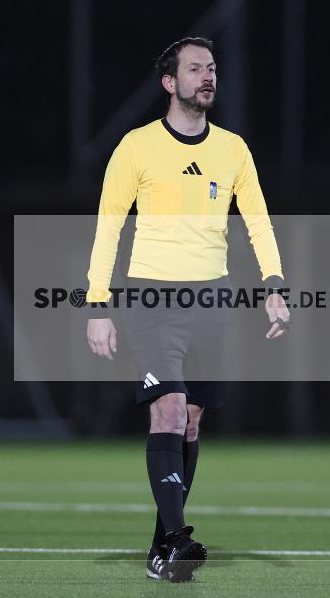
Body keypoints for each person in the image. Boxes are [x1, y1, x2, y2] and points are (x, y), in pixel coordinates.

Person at [84, 37, 290, 582]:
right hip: (154, 298)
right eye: (195, 68)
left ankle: (162, 547)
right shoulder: (136, 147)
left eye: (212, 68)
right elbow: (108, 227)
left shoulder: (233, 149)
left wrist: (274, 283)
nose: (207, 76)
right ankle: (178, 537)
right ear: (169, 83)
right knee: (169, 411)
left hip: (214, 300)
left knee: (192, 423)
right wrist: (97, 303)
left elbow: (259, 222)